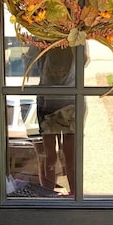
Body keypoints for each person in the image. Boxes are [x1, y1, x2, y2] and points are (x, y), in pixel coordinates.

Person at [35, 46, 77, 194]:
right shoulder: (73, 44)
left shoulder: (72, 43)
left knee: (61, 155)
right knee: (55, 156)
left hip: (62, 103)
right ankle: (64, 194)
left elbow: (82, 60)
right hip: (60, 103)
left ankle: (67, 193)